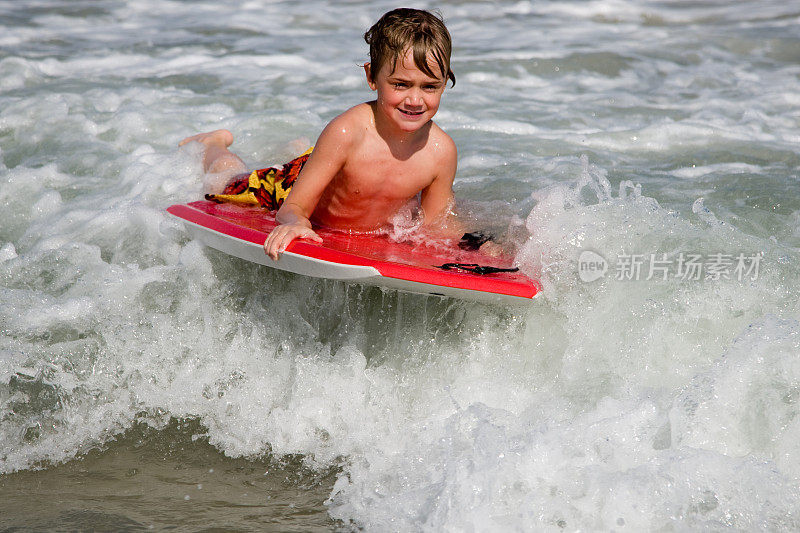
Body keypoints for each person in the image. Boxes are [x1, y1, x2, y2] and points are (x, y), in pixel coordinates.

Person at [181, 8, 487, 260]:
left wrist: (483, 245)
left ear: (444, 83)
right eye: (400, 84)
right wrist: (295, 223)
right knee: (230, 180)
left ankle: (301, 148)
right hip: (289, 186)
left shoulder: (441, 152)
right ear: (371, 77)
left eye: (429, 87)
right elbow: (294, 207)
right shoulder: (347, 132)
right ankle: (213, 143)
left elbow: (433, 226)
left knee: (308, 157)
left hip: (325, 167)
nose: (415, 100)